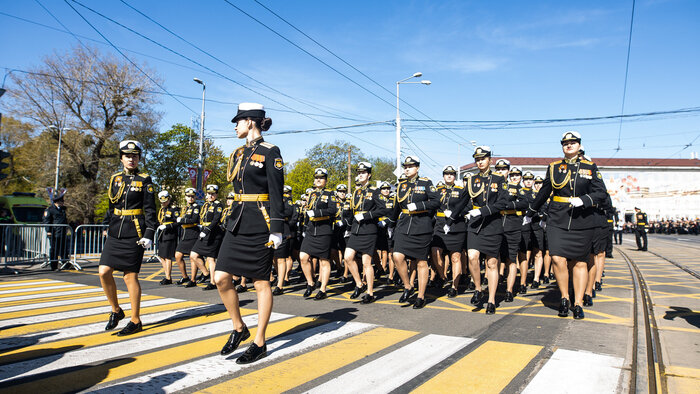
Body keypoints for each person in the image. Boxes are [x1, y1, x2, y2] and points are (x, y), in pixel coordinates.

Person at [214, 102, 284, 364]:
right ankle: (239, 328)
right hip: (238, 222)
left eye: (238, 121)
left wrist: (277, 228)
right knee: (220, 277)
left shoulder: (270, 152)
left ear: (251, 122)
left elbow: (277, 193)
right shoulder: (238, 153)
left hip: (261, 223)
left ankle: (260, 341)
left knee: (261, 283)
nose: (235, 126)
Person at [525, 131, 607, 320]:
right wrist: (531, 212)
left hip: (582, 219)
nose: (569, 145)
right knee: (557, 259)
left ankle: (578, 303)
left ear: (579, 145)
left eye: (573, 142)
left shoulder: (590, 167)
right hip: (557, 218)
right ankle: (564, 297)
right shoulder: (554, 167)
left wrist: (584, 200)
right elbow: (544, 191)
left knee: (579, 262)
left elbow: (601, 193)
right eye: (565, 143)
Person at [99, 140, 157, 336]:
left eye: (135, 156)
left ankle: (135, 320)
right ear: (121, 158)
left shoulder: (145, 179)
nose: (131, 159)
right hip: (116, 231)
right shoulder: (115, 178)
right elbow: (110, 205)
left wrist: (149, 233)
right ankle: (116, 310)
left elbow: (150, 209)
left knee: (129, 276)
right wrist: (106, 226)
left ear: (139, 158)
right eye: (127, 156)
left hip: (135, 231)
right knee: (103, 271)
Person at [447, 146, 508, 315]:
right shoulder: (472, 180)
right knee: (472, 257)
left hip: (493, 224)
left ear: (490, 160)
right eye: (477, 159)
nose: (480, 162)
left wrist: (482, 211)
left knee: (492, 263)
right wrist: (451, 219)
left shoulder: (499, 179)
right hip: (475, 225)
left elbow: (503, 203)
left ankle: (491, 300)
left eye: (483, 159)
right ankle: (479, 288)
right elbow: (462, 201)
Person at [388, 156, 440, 309]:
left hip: (421, 226)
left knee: (421, 262)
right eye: (406, 166)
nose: (407, 169)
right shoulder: (401, 186)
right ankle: (408, 286)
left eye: (411, 166)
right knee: (397, 256)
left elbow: (436, 202)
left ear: (417, 167)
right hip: (404, 225)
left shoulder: (426, 183)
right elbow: (396, 208)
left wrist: (418, 206)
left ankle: (421, 296)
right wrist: (391, 224)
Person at [343, 162, 391, 304]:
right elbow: (352, 212)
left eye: (363, 173)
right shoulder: (356, 192)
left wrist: (367, 216)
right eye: (358, 173)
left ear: (369, 175)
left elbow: (383, 209)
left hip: (369, 230)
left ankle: (370, 292)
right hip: (356, 230)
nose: (360, 175)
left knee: (366, 262)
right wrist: (348, 227)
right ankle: (359, 283)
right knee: (348, 257)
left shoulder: (375, 191)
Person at [299, 168, 338, 299]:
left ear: (326, 180)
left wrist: (316, 213)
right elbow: (306, 213)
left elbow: (333, 210)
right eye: (316, 178)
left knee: (324, 261)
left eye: (321, 178)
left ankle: (323, 289)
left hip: (323, 230)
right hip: (311, 230)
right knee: (303, 257)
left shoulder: (330, 194)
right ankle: (310, 282)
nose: (318, 180)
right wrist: (304, 228)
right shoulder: (311, 194)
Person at [431, 165, 468, 298]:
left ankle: (454, 287)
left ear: (455, 176)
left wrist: (454, 213)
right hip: (440, 225)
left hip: (456, 225)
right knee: (435, 252)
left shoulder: (461, 190)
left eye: (452, 174)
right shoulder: (437, 190)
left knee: (455, 257)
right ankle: (442, 276)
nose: (449, 176)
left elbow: (467, 207)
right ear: (443, 176)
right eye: (446, 174)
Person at [189, 185, 224, 291]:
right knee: (193, 255)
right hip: (204, 232)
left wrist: (207, 230)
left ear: (216, 194)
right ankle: (206, 273)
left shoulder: (218, 205)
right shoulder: (206, 205)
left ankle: (213, 282)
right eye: (209, 193)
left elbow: (216, 220)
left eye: (213, 194)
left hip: (213, 233)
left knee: (210, 258)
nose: (210, 195)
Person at [271, 185, 296, 295]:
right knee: (273, 258)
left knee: (281, 258)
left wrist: (276, 210)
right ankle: (277, 277)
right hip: (270, 229)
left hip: (283, 229)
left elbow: (289, 212)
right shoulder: (271, 198)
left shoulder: (287, 200)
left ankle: (280, 284)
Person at [174, 188, 199, 286]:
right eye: (188, 196)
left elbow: (194, 219)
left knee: (192, 258)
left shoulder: (196, 207)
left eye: (192, 196)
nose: (190, 198)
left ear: (195, 197)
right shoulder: (185, 208)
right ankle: (185, 277)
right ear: (185, 197)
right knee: (178, 256)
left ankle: (193, 280)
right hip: (184, 233)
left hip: (192, 233)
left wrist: (182, 220)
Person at [156, 191, 180, 285]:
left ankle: (168, 277)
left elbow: (177, 223)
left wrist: (167, 227)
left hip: (170, 235)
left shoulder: (174, 210)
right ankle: (166, 275)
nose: (163, 203)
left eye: (165, 201)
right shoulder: (162, 210)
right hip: (162, 234)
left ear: (169, 199)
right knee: (162, 256)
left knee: (167, 256)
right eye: (162, 201)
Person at [42, 192, 69, 270]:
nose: (63, 203)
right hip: (54, 233)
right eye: (61, 201)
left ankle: (65, 264)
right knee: (54, 249)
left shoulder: (62, 210)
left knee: (63, 249)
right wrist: (48, 231)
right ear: (57, 202)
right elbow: (46, 221)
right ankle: (54, 266)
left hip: (62, 232)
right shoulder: (50, 210)